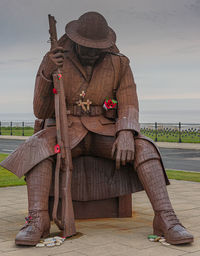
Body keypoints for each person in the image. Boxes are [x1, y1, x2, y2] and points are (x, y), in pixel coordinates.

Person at [0, 11, 193, 246]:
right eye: (86, 47)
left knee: (145, 147)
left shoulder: (120, 63)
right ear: (75, 41)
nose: (91, 53)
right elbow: (40, 111)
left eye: (96, 48)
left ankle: (166, 218)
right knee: (38, 147)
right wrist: (47, 72)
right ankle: (37, 219)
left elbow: (129, 102)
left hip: (104, 131)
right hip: (66, 129)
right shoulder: (55, 58)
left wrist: (125, 132)